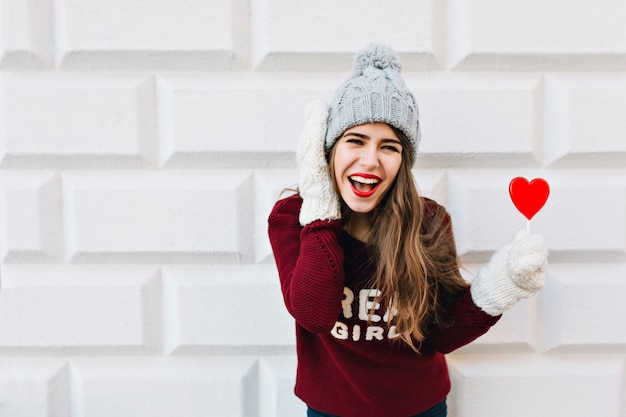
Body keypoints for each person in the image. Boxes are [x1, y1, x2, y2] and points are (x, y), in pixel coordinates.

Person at [267, 44, 548, 417]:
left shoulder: (430, 222)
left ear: (404, 160)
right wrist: (319, 204)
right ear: (327, 149)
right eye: (355, 140)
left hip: (421, 408)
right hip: (331, 409)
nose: (370, 160)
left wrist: (501, 285)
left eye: (390, 146)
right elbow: (313, 314)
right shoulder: (292, 218)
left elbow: (441, 335)